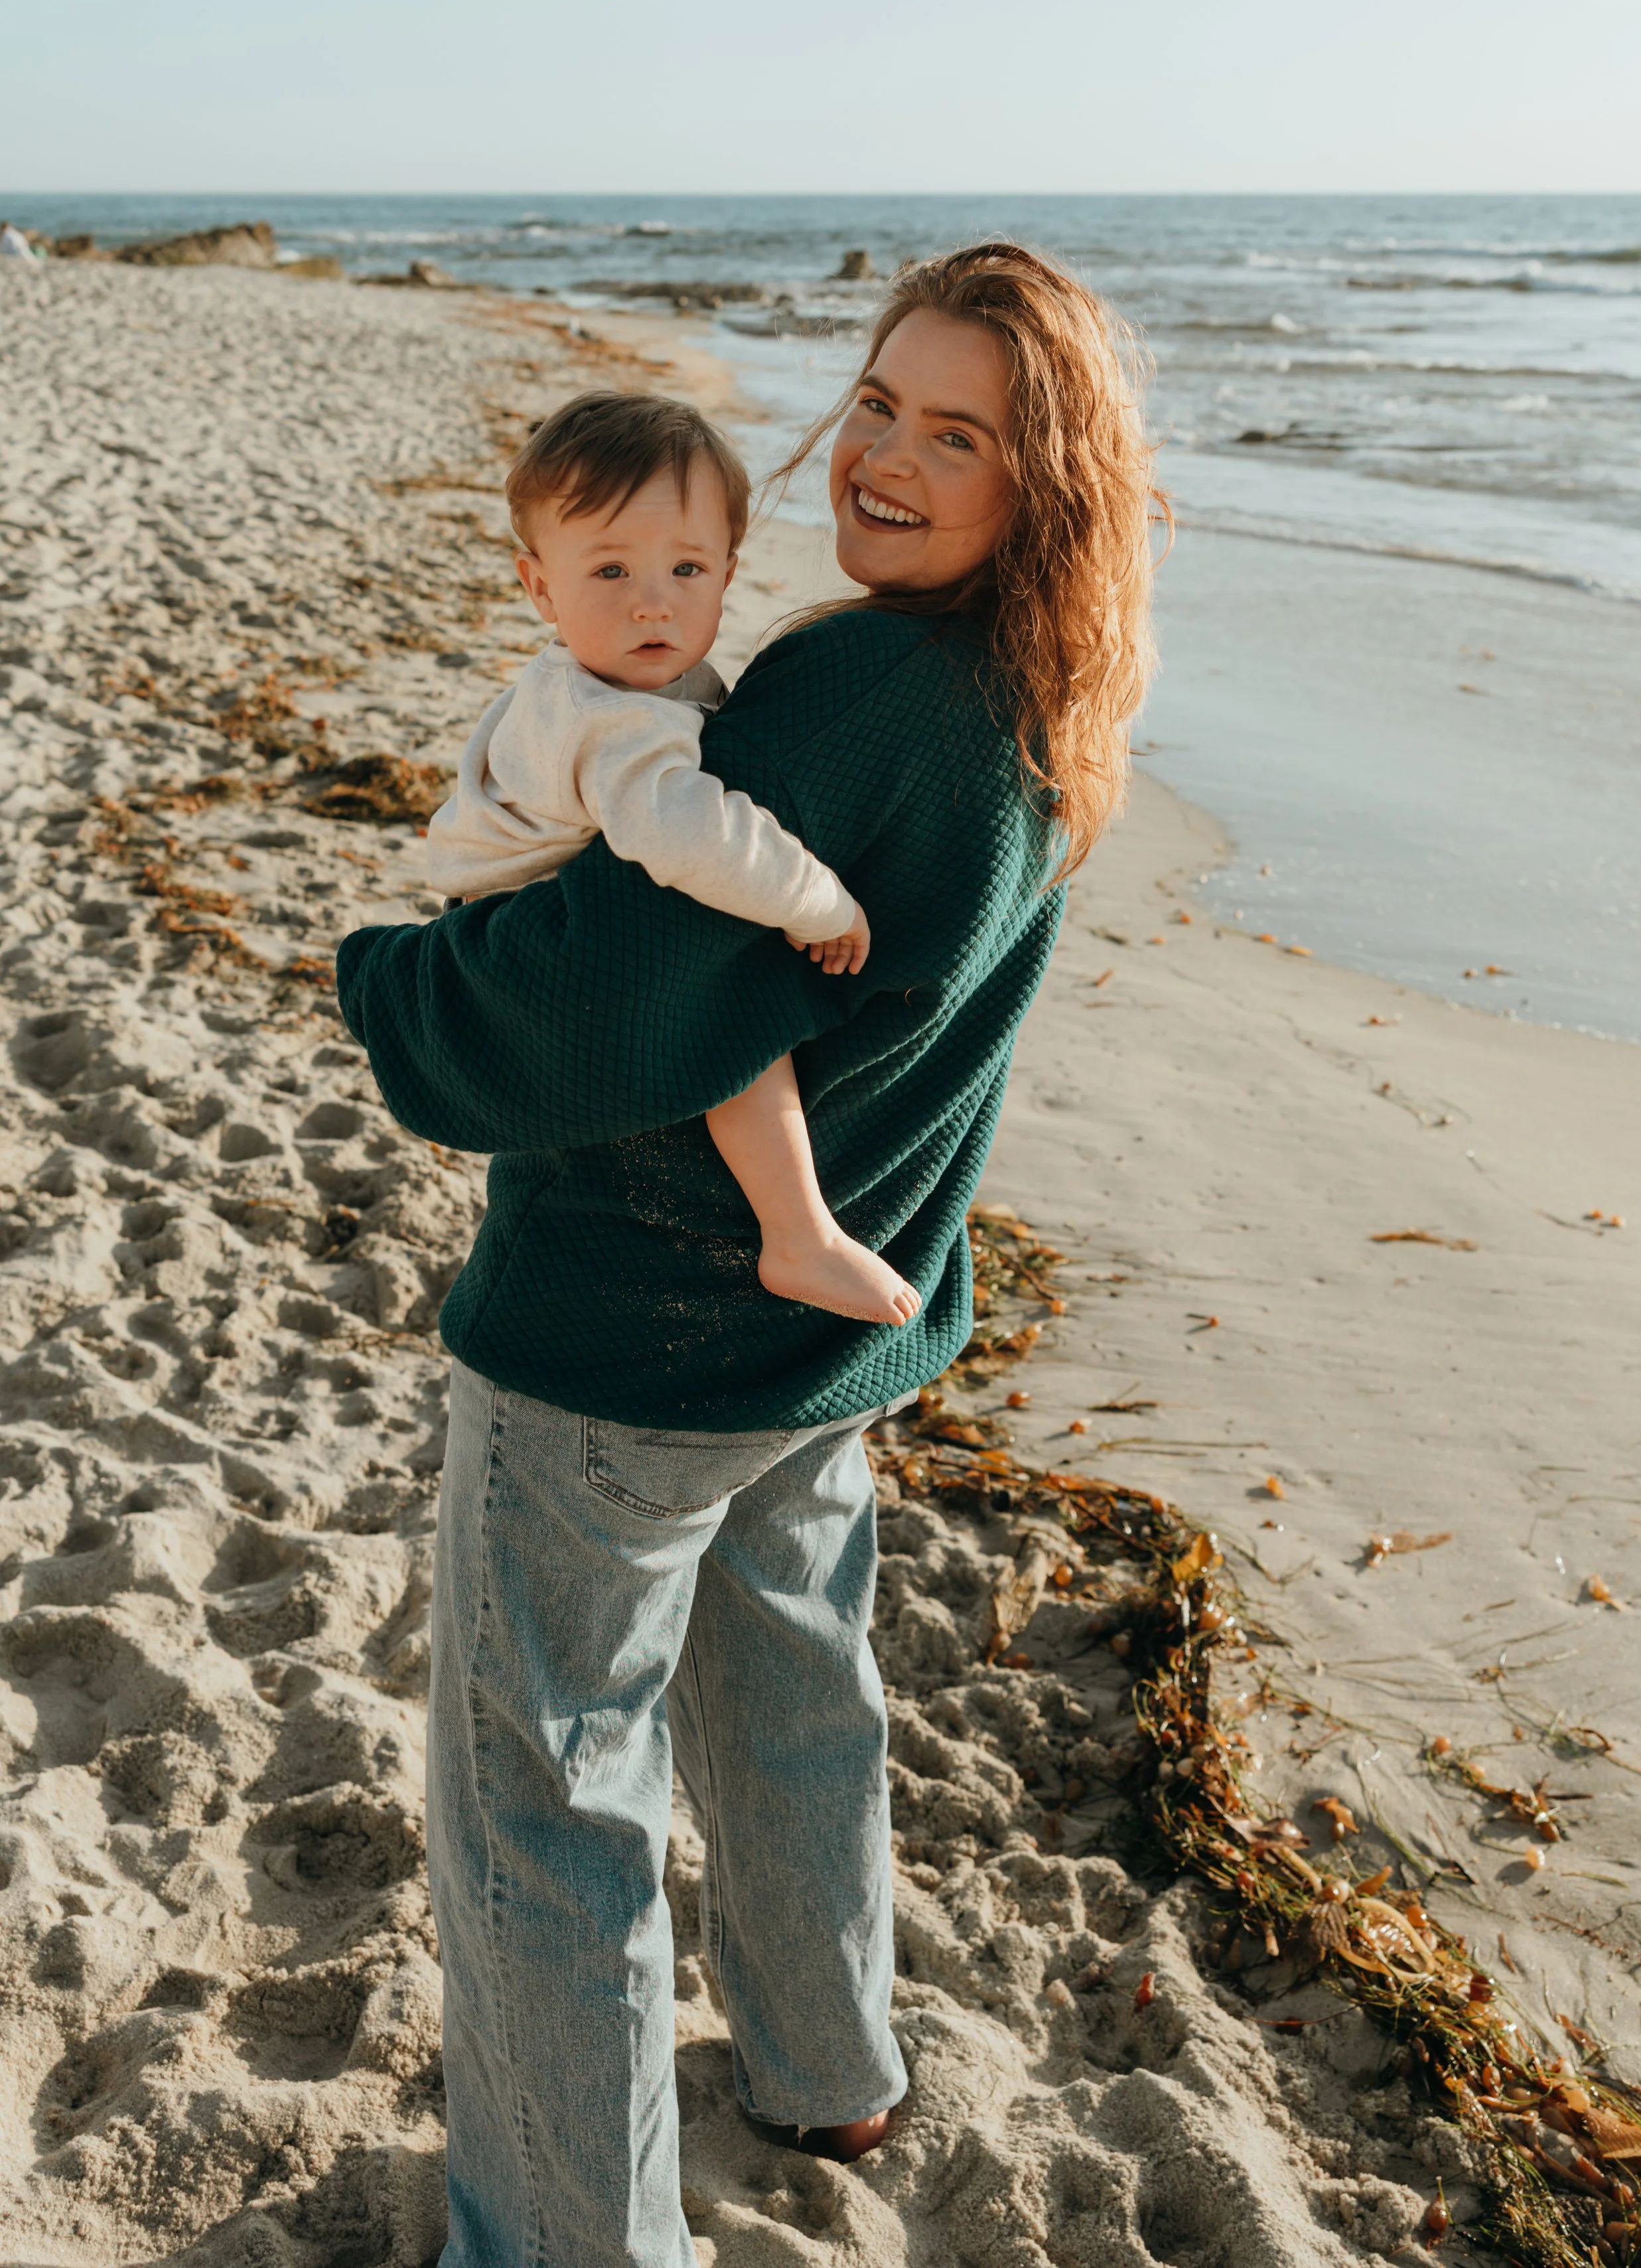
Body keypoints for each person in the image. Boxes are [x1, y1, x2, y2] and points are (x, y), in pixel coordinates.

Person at [337, 242, 1163, 2268]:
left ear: (1037, 482)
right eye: (877, 398)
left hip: (634, 1341)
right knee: (794, 1690)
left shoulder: (849, 687)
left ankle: (567, 2236)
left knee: (548, 1800)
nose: (882, 454)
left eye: (953, 430)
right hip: (826, 1330)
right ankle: (827, 2063)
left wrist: (390, 982)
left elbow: (625, 1004)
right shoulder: (1044, 687)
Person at [425, 391, 920, 1326]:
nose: (654, 600)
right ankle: (797, 1234)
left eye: (686, 567)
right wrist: (815, 901)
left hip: (500, 917)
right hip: (519, 949)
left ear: (728, 575)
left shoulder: (600, 683)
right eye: (609, 570)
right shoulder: (612, 720)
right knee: (736, 1020)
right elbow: (689, 830)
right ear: (541, 589)